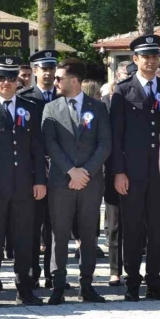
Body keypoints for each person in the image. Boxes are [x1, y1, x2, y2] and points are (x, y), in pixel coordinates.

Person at [0, 56, 46, 308]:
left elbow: (37, 148)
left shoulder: (30, 108)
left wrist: (40, 180)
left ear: (18, 81)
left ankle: (25, 288)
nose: (6, 82)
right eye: (1, 78)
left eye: (11, 78)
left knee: (25, 239)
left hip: (25, 187)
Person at [111, 35, 160, 302]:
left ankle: (154, 281)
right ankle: (132, 282)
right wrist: (118, 171)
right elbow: (116, 135)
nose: (151, 61)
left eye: (155, 56)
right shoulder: (123, 90)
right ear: (135, 59)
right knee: (132, 229)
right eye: (146, 56)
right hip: (131, 172)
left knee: (157, 230)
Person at [42, 58, 111, 304]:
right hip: (62, 182)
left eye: (59, 77)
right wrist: (72, 171)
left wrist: (86, 173)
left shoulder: (98, 107)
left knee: (88, 234)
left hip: (90, 183)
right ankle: (58, 285)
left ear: (74, 80)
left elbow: (105, 144)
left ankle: (87, 285)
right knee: (59, 235)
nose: (54, 81)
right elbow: (50, 144)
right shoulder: (51, 108)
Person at [19, 50, 61, 289]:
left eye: (51, 69)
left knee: (56, 225)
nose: (47, 73)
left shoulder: (62, 96)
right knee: (33, 225)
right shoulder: (26, 98)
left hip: (59, 169)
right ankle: (33, 273)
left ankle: (53, 274)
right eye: (43, 69)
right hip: (34, 170)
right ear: (34, 71)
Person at [102, 61, 131, 287]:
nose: (125, 79)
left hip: (134, 168)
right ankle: (114, 269)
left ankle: (132, 267)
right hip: (110, 169)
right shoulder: (103, 104)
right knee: (114, 224)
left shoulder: (132, 102)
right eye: (122, 75)